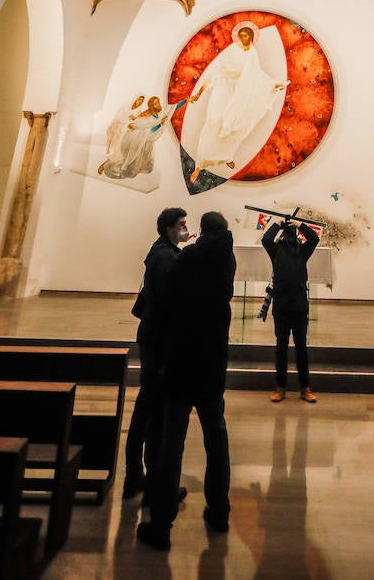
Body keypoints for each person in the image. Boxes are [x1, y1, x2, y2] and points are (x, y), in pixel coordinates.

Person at [137, 211, 236, 551]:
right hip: (214, 359)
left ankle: (161, 524)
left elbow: (171, 294)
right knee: (216, 436)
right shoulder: (229, 257)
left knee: (172, 441)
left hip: (184, 358)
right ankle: (219, 510)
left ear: (203, 230)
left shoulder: (192, 255)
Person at [124, 206, 189, 500]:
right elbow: (169, 301)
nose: (185, 229)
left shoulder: (161, 252)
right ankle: (153, 480)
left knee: (146, 408)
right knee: (154, 411)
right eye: (182, 224)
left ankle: (138, 475)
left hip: (154, 338)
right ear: (169, 228)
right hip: (160, 343)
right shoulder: (165, 256)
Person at [188, 22, 287, 183]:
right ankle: (199, 165)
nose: (244, 38)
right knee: (213, 123)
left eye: (247, 35)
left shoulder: (252, 55)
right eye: (242, 35)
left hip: (239, 94)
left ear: (252, 37)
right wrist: (199, 93)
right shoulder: (232, 50)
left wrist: (273, 85)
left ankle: (224, 156)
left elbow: (257, 76)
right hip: (223, 88)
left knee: (236, 128)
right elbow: (216, 70)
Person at [261, 217, 320, 403]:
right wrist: (278, 224)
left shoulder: (303, 252)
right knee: (281, 348)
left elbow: (314, 239)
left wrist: (299, 225)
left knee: (301, 348)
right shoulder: (276, 250)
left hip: (299, 306)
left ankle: (305, 388)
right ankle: (281, 387)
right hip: (282, 306)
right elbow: (266, 239)